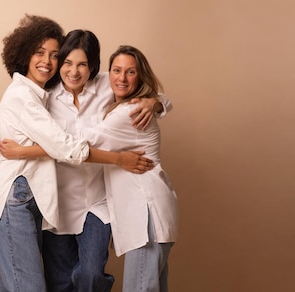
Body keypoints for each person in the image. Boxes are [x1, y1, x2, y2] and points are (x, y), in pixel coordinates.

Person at [0, 15, 155, 292]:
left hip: (96, 203)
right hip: (56, 206)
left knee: (90, 275)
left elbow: (144, 87)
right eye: (65, 62)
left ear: (92, 67)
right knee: (57, 283)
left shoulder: (105, 87)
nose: (73, 71)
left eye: (82, 64)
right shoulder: (45, 95)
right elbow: (62, 146)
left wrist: (153, 103)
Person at [100, 45, 179, 292]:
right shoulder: (126, 102)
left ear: (140, 75)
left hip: (146, 216)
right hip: (149, 216)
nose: (121, 78)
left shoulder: (128, 113)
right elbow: (165, 101)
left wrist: (23, 147)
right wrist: (156, 101)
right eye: (116, 70)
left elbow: (79, 144)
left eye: (130, 72)